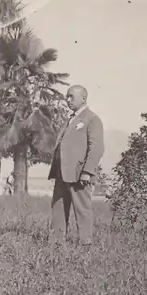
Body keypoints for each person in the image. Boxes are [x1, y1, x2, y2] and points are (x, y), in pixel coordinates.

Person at [48, 85, 105, 247]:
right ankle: (57, 243)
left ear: (84, 99)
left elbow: (97, 147)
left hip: (79, 173)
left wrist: (87, 171)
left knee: (82, 209)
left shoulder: (92, 119)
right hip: (62, 173)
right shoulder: (70, 119)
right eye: (67, 96)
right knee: (58, 208)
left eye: (71, 96)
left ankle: (85, 244)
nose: (67, 100)